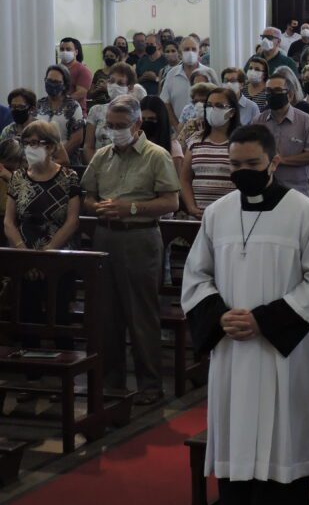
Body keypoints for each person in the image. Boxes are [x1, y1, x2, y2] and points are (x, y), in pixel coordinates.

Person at [181, 124, 309, 505]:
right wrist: (220, 315)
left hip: (282, 354)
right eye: (235, 164)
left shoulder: (303, 211)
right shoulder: (217, 213)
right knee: (236, 451)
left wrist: (264, 320)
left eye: (252, 163)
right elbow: (196, 276)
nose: (242, 170)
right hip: (233, 350)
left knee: (280, 455)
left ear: (274, 162)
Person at [81, 95, 180, 404]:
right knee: (107, 313)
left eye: (120, 126)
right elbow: (87, 195)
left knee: (140, 313)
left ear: (137, 124)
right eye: (109, 125)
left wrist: (131, 208)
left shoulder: (155, 155)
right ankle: (112, 382)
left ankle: (150, 385)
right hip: (105, 236)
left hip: (140, 237)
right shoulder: (102, 156)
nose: (114, 131)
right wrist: (97, 207)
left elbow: (170, 202)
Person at [4, 120, 81, 359]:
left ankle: (64, 377)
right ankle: (32, 377)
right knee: (27, 316)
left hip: (58, 255)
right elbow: (9, 221)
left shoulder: (68, 177)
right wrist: (25, 254)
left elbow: (72, 221)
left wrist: (47, 253)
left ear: (51, 147)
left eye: (36, 143)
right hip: (25, 256)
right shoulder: (18, 177)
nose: (30, 148)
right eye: (26, 143)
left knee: (59, 316)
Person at [252, 73, 309, 196]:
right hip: (265, 190)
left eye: (277, 91)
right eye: (268, 91)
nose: (272, 95)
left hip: (296, 191)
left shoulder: (306, 121)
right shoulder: (258, 121)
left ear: (289, 95)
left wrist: (282, 160)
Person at [179, 87, 240, 217]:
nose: (212, 109)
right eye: (209, 105)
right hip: (199, 215)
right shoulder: (195, 140)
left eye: (219, 105)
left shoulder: (241, 142)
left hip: (231, 215)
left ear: (232, 112)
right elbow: (184, 178)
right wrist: (191, 207)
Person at [84, 63, 146, 163]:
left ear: (130, 87)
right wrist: (95, 168)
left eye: (120, 83)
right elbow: (88, 146)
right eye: (111, 81)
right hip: (99, 165)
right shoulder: (95, 110)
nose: (114, 86)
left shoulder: (136, 113)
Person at [38, 65, 85, 164]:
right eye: (49, 80)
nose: (51, 84)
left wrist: (55, 158)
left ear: (64, 85)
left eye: (56, 82)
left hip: (66, 161)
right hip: (39, 160)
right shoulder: (39, 105)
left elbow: (77, 139)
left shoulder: (73, 106)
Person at [140, 95, 184, 176]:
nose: (146, 123)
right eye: (143, 119)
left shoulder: (173, 148)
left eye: (151, 119)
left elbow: (176, 181)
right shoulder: (133, 144)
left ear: (161, 119)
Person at [57, 36, 92, 112]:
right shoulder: (56, 69)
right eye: (62, 49)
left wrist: (60, 103)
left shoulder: (83, 70)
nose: (64, 52)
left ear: (76, 52)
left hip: (75, 112)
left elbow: (80, 93)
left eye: (68, 49)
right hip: (56, 110)